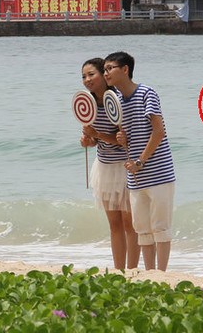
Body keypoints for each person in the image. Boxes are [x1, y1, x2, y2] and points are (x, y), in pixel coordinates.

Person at [104, 51, 176, 271]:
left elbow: (158, 132)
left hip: (158, 172)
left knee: (160, 226)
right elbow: (128, 134)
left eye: (110, 68)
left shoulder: (146, 93)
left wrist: (141, 162)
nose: (106, 73)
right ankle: (149, 273)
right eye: (104, 69)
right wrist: (122, 138)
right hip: (135, 175)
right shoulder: (115, 99)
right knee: (142, 228)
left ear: (125, 70)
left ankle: (161, 274)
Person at [79, 58, 140, 270]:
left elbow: (123, 138)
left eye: (92, 74)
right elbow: (94, 139)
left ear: (105, 76)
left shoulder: (118, 100)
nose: (87, 80)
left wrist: (98, 135)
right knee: (114, 224)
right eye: (84, 76)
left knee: (129, 224)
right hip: (103, 167)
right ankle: (118, 270)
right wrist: (88, 140)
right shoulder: (88, 104)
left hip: (124, 166)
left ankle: (132, 270)